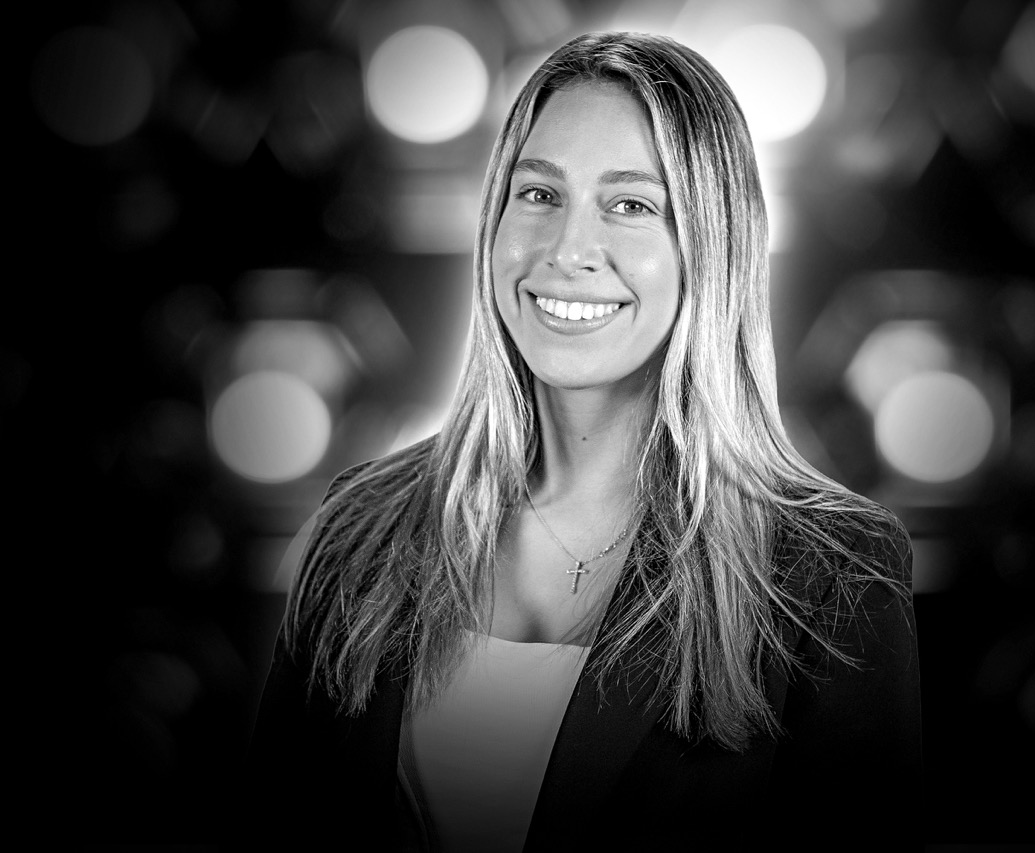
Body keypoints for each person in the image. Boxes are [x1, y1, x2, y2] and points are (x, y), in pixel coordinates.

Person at [241, 30, 921, 852]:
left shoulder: (831, 575)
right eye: (539, 194)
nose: (567, 251)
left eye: (631, 204)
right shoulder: (359, 528)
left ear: (711, 246)